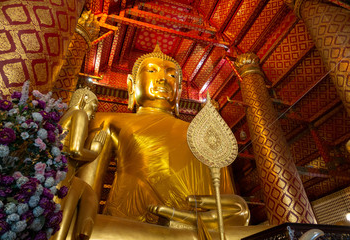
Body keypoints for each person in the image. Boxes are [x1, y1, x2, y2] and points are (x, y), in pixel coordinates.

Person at [78, 45, 249, 230]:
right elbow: (84, 195)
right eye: (152, 71)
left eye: (172, 75)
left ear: (180, 91)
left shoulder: (205, 132)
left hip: (198, 230)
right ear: (131, 85)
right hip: (133, 228)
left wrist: (235, 211)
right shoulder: (107, 120)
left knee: (244, 216)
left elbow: (227, 204)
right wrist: (82, 223)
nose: (163, 79)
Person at [53, 88, 106, 240]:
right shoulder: (79, 114)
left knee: (88, 194)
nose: (94, 114)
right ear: (84, 99)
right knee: (60, 219)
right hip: (64, 173)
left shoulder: (64, 116)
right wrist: (95, 151)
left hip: (57, 170)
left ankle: (83, 232)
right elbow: (76, 151)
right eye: (94, 107)